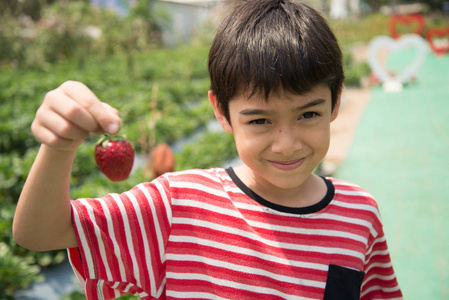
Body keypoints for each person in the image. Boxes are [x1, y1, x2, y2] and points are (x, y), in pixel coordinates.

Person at [13, 0, 403, 299]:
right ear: (221, 111)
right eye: (260, 121)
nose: (287, 144)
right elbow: (40, 233)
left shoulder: (359, 214)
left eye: (308, 114)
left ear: (335, 103)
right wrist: (59, 147)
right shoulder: (178, 207)